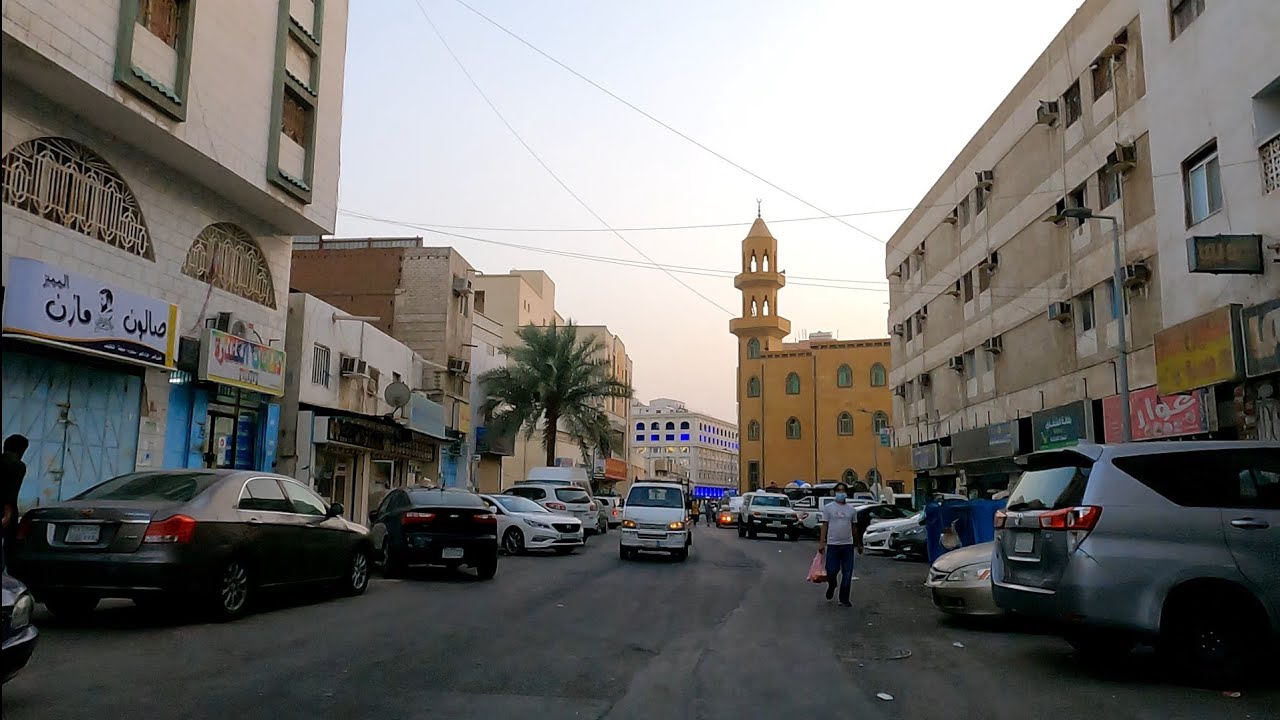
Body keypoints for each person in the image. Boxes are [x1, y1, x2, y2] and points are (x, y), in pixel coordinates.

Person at [817, 481, 863, 607]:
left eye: (843, 490)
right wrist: (822, 542)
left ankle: (844, 599)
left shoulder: (851, 510)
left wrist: (858, 544)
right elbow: (824, 525)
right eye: (839, 490)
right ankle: (832, 585)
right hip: (833, 545)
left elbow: (854, 528)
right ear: (835, 492)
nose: (840, 493)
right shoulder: (829, 508)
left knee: (847, 573)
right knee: (831, 571)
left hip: (847, 545)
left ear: (846, 493)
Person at [1, 434, 30, 573]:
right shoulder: (17, 465)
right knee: (9, 545)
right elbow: (11, 492)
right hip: (6, 510)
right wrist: (7, 514)